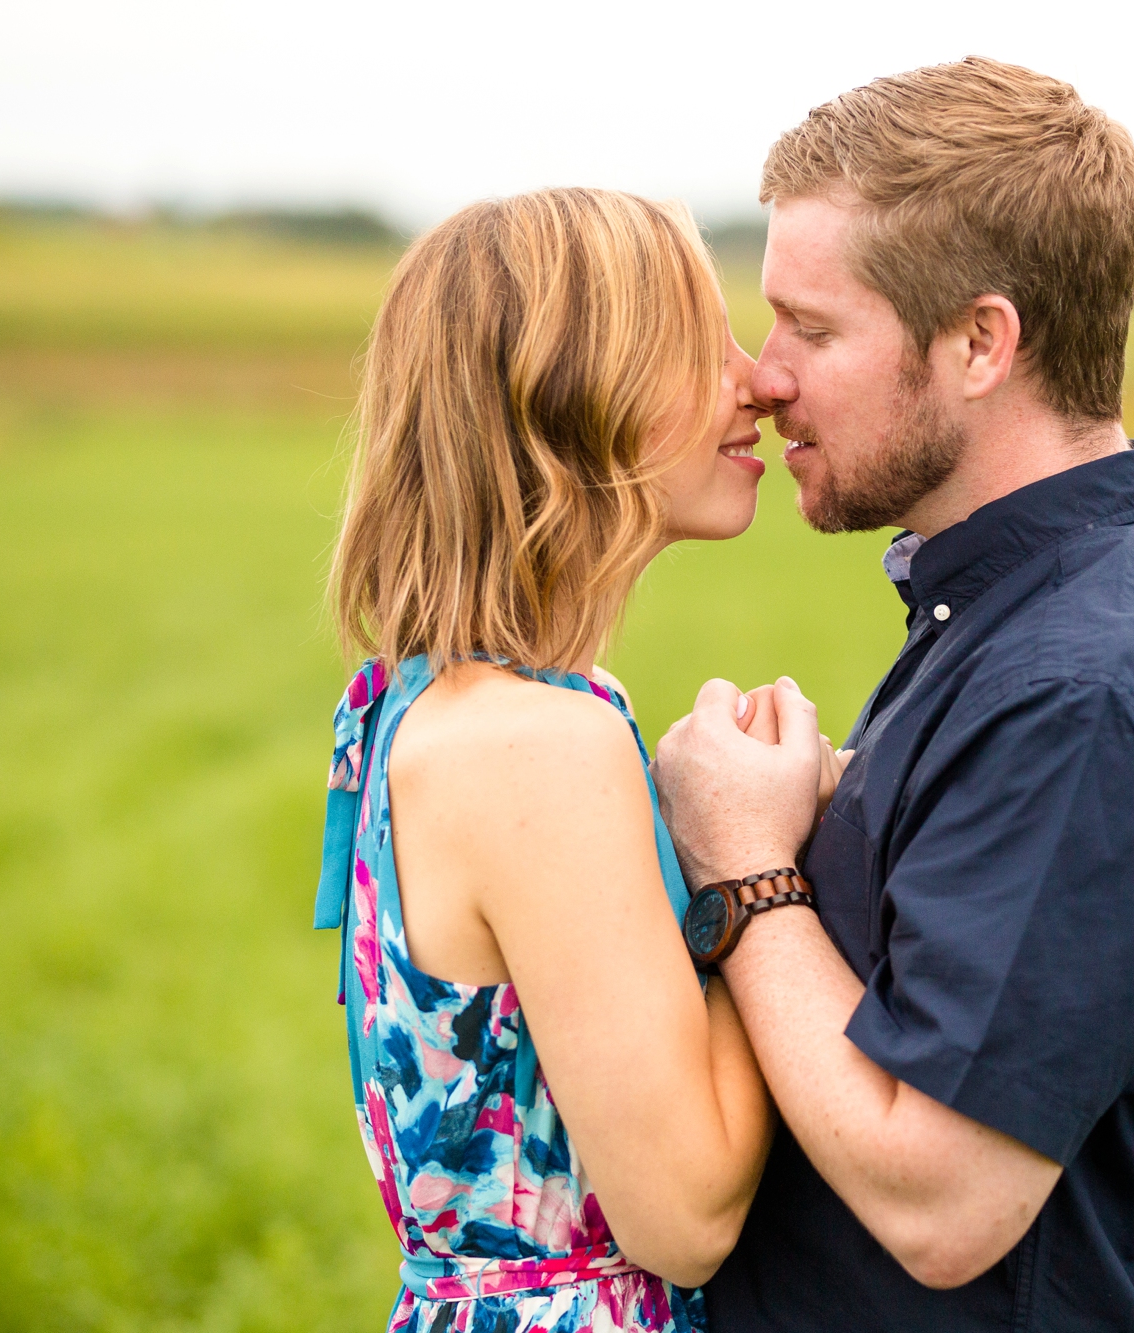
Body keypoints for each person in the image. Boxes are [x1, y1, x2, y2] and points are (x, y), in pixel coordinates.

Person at [652, 58, 1134, 1331]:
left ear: (980, 343)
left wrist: (742, 867)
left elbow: (941, 1202)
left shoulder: (1084, 686)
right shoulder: (1027, 607)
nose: (762, 374)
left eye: (811, 325)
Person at [312, 188, 839, 1333]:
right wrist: (756, 859)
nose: (756, 381)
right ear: (569, 394)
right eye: (700, 350)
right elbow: (686, 1213)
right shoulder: (536, 747)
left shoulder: (452, 706)